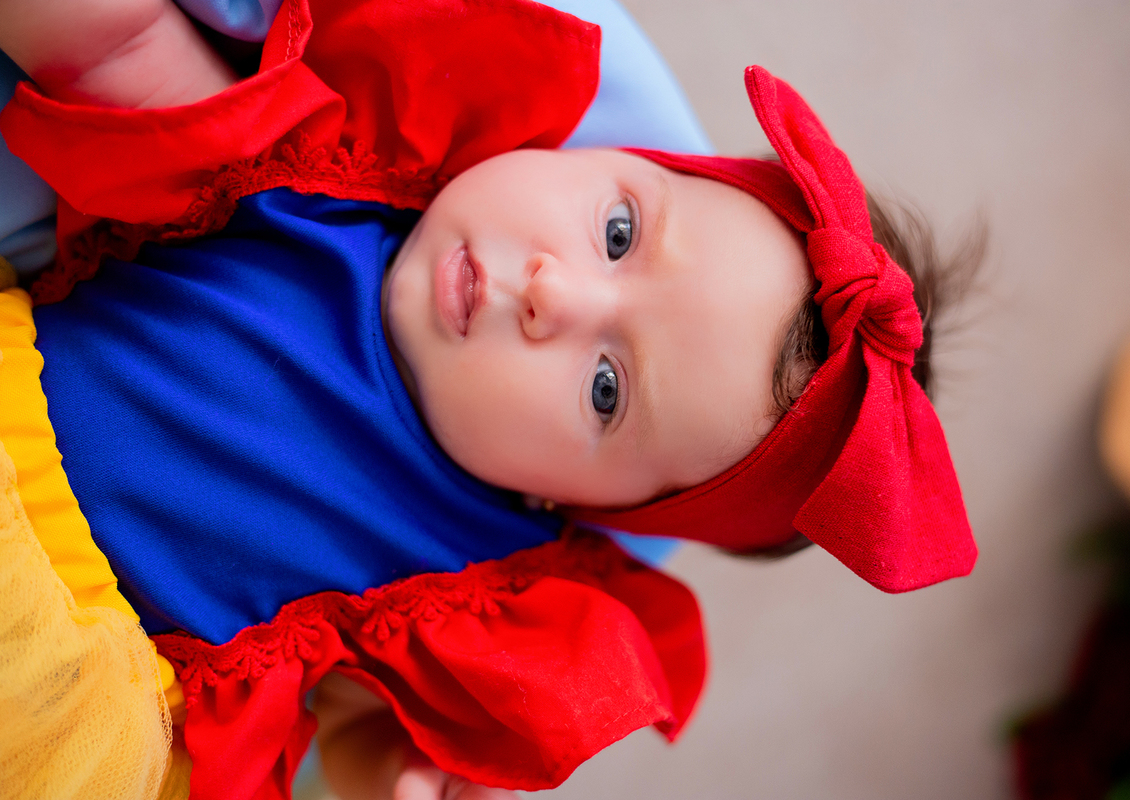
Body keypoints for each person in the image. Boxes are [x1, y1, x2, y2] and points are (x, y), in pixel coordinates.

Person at [0, 0, 979, 798]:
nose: (554, 291)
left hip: (66, 687)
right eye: (619, 232)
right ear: (602, 156)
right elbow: (114, 47)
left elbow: (344, 708)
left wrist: (398, 772)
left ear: (585, 506)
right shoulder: (310, 170)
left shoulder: (480, 586)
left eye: (606, 389)